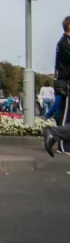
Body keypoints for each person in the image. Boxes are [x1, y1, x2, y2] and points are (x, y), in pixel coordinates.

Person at [54, 16, 70, 153]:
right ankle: (63, 144)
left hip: (66, 81)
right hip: (66, 83)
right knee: (65, 115)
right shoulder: (64, 43)